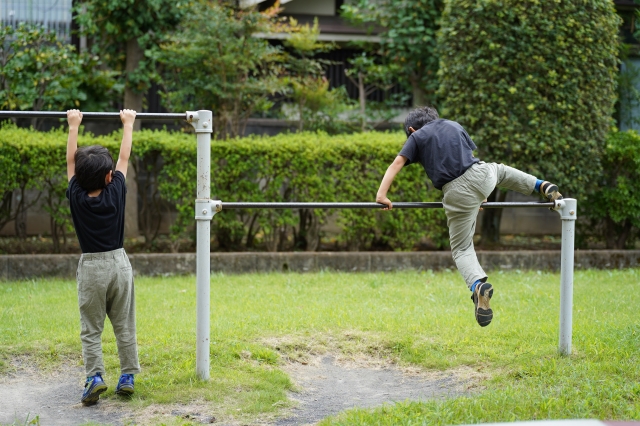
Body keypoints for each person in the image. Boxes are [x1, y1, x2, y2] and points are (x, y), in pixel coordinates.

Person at [376, 106, 562, 328]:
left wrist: (382, 195)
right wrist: (480, 196)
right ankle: (541, 185)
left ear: (412, 129)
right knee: (500, 170)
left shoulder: (418, 136)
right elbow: (467, 160)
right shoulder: (454, 125)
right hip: (482, 175)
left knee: (462, 248)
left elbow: (396, 163)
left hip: (456, 192)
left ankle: (477, 286)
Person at [65, 109, 140, 405]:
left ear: (80, 179)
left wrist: (73, 126)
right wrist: (128, 124)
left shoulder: (76, 196)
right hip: (119, 265)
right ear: (109, 177)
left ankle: (95, 377)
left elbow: (71, 161)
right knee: (124, 324)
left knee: (91, 328)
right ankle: (127, 376)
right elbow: (124, 158)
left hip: (91, 268)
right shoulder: (116, 191)